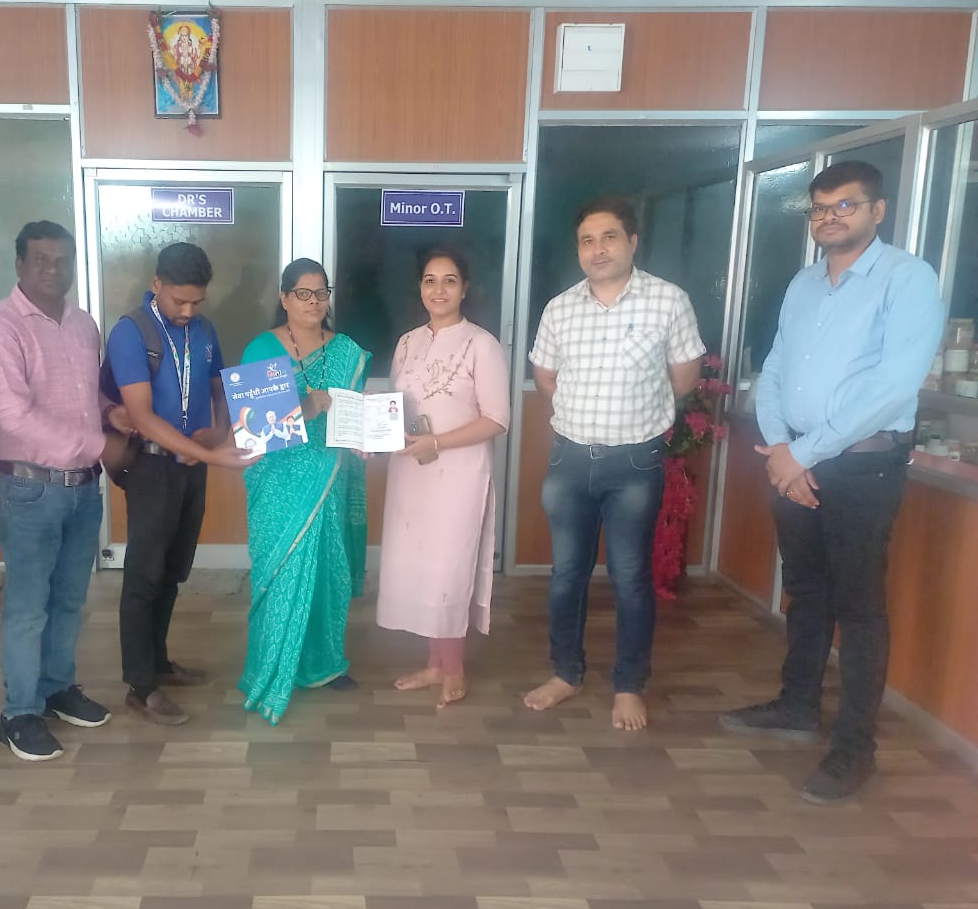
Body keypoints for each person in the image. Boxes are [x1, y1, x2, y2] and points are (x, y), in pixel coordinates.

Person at [720, 160, 945, 803]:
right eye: (821, 207)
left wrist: (802, 454)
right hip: (797, 460)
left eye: (845, 205)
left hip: (864, 467)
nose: (830, 217)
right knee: (807, 590)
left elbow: (892, 387)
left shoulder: (907, 279)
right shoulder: (804, 284)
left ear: (877, 211)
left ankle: (854, 748)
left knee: (859, 606)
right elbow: (776, 368)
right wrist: (782, 449)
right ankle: (797, 706)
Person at [525, 197, 705, 731]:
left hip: (635, 462)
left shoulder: (668, 301)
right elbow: (545, 378)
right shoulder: (560, 308)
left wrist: (634, 409)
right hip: (570, 459)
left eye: (608, 237)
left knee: (629, 577)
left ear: (632, 242)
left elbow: (684, 378)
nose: (597, 249)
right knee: (566, 575)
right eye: (587, 240)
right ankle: (566, 672)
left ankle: (629, 684)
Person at [0, 220, 120, 762]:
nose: (53, 270)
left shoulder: (83, 325)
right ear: (20, 264)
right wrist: (100, 444)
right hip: (29, 488)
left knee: (70, 598)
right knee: (29, 607)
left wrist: (114, 415)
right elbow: (13, 414)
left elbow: (88, 396)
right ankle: (18, 713)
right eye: (41, 260)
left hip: (83, 487)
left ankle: (57, 688)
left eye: (62, 261)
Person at [105, 243, 256, 726]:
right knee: (144, 574)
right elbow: (142, 417)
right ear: (157, 285)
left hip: (191, 465)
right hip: (152, 466)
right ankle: (140, 685)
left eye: (197, 301)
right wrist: (209, 453)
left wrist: (218, 431)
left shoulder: (204, 330)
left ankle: (160, 662)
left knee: (173, 569)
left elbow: (219, 389)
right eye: (179, 301)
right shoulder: (132, 333)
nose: (188, 311)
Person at [238, 258, 369, 724]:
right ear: (284, 297)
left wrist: (366, 435)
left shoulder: (347, 351)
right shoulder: (262, 349)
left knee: (328, 570)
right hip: (277, 482)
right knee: (279, 572)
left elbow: (353, 411)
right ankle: (270, 668)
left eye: (321, 293)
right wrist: (306, 405)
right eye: (303, 293)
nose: (314, 302)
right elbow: (253, 429)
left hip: (329, 477)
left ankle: (324, 664)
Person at [378, 247, 510, 709]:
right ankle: (434, 664)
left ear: (464, 289)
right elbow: (397, 409)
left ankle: (453, 669)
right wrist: (373, 435)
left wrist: (438, 442)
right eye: (430, 280)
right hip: (411, 473)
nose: (439, 290)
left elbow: (497, 419)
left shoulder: (482, 344)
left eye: (449, 281)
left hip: (458, 475)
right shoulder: (407, 343)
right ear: (420, 287)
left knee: (448, 568)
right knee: (421, 568)